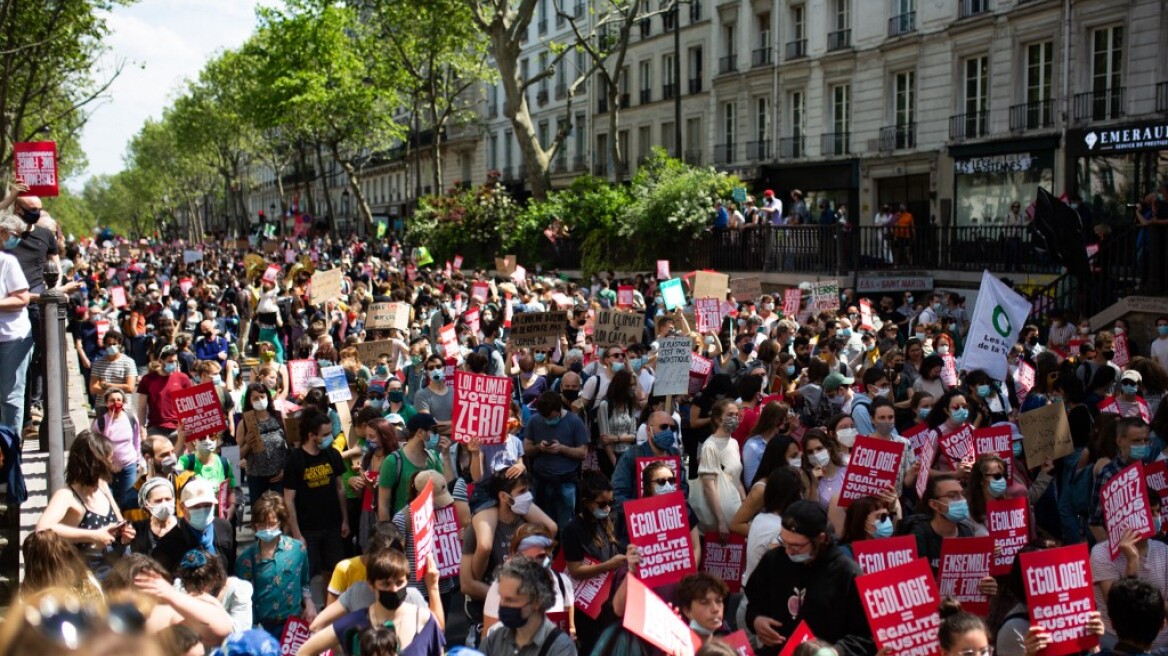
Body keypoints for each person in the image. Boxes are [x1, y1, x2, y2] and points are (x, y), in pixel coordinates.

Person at [744, 500, 873, 656]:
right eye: (785, 543)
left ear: (821, 538)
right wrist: (756, 620)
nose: (789, 552)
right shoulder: (774, 560)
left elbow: (864, 637)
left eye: (797, 546)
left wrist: (834, 652)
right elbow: (754, 604)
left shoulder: (847, 573)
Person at [296, 548, 444, 656]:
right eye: (386, 584)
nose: (394, 589)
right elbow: (305, 651)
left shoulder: (425, 620)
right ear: (371, 585)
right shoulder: (356, 622)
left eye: (399, 582)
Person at [36, 430, 134, 580]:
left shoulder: (102, 485)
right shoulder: (66, 495)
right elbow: (42, 529)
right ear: (95, 463)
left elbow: (119, 521)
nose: (112, 464)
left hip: (116, 566)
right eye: (109, 459)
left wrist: (125, 533)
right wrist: (93, 535)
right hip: (86, 576)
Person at [236, 491, 314, 637]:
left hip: (293, 625)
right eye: (261, 525)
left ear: (281, 522)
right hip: (262, 627)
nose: (267, 529)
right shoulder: (246, 560)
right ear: (254, 526)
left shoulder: (298, 550)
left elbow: (304, 582)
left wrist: (309, 603)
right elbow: (243, 599)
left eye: (271, 524)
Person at [284, 408, 350, 578]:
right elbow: (289, 500)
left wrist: (345, 520)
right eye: (326, 434)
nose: (331, 438)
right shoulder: (295, 460)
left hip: (333, 527)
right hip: (307, 529)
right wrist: (296, 533)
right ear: (312, 435)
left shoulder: (333, 455)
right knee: (307, 575)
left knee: (333, 573)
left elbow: (339, 488)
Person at [482, 524, 575, 638]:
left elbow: (570, 628)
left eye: (540, 557)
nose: (535, 563)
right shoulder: (500, 587)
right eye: (529, 558)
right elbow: (487, 638)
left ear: (549, 554)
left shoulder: (562, 583)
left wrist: (570, 637)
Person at [478, 556, 577, 656]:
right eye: (501, 598)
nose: (503, 605)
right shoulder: (494, 638)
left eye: (511, 600)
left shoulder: (560, 647)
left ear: (536, 602)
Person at [523, 390, 588, 533]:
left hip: (566, 482)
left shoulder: (574, 422)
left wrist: (562, 449)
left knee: (567, 526)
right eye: (544, 417)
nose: (548, 420)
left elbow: (583, 452)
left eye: (551, 417)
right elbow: (527, 448)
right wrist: (539, 448)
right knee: (542, 527)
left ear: (559, 410)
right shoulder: (534, 421)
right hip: (541, 482)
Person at [152, 477, 236, 576]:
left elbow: (231, 565)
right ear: (182, 507)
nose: (203, 510)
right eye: (196, 507)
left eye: (207, 505)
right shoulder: (168, 544)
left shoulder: (224, 527)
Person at [1089, 418, 1152, 542]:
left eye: (1146, 440)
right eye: (1136, 441)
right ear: (1120, 441)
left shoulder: (1149, 469)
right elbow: (1095, 522)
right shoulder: (1109, 475)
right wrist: (1115, 554)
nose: (1143, 445)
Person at [691, 399, 747, 539]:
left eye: (736, 415)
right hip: (717, 522)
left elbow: (735, 477)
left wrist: (745, 504)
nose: (734, 418)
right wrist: (721, 521)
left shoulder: (733, 443)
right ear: (717, 419)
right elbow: (709, 486)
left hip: (734, 516)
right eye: (729, 415)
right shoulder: (710, 446)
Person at [612, 409, 688, 504]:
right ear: (648, 430)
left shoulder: (675, 454)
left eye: (672, 428)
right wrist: (644, 508)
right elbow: (618, 494)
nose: (669, 431)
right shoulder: (631, 455)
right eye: (663, 427)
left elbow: (683, 490)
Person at [378, 413, 444, 521]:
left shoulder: (434, 457)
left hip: (430, 526)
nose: (436, 435)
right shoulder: (393, 461)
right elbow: (383, 505)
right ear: (420, 433)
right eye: (433, 431)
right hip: (404, 529)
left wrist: (445, 456)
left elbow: (445, 488)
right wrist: (389, 535)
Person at [0, 213, 31, 435]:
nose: (17, 240)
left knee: (9, 396)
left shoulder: (7, 262)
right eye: (15, 235)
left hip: (12, 338)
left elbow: (22, 298)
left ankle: (10, 453)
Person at [236, 382, 289, 506]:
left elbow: (292, 445)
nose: (260, 400)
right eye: (255, 398)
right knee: (259, 514)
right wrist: (247, 445)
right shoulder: (244, 424)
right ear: (249, 401)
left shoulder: (279, 417)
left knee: (281, 511)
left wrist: (285, 470)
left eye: (262, 396)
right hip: (256, 478)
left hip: (279, 476)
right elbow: (236, 456)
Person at [90, 387, 142, 510]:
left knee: (128, 499)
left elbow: (136, 440)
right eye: (112, 400)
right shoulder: (100, 423)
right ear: (106, 403)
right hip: (107, 468)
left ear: (123, 402)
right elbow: (94, 445)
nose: (116, 403)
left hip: (128, 465)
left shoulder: (131, 418)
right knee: (107, 500)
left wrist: (138, 460)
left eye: (119, 400)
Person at [138, 345, 193, 438]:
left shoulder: (183, 378)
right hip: (155, 428)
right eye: (170, 362)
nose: (173, 364)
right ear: (160, 361)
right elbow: (142, 407)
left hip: (178, 428)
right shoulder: (147, 380)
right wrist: (141, 428)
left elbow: (190, 406)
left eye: (175, 361)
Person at [88, 329, 138, 419]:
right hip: (102, 407)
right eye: (109, 344)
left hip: (123, 407)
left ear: (120, 345)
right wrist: (118, 390)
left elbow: (130, 388)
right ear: (105, 345)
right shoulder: (98, 363)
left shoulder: (129, 362)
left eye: (114, 344)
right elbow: (93, 388)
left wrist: (107, 385)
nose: (111, 347)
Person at [129, 477, 179, 556]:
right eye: (158, 501)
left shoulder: (184, 527)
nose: (164, 504)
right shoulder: (138, 530)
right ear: (147, 504)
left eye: (168, 499)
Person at [677, 572, 731, 644]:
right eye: (704, 603)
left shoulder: (730, 646)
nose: (715, 609)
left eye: (719, 601)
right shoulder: (676, 649)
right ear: (687, 611)